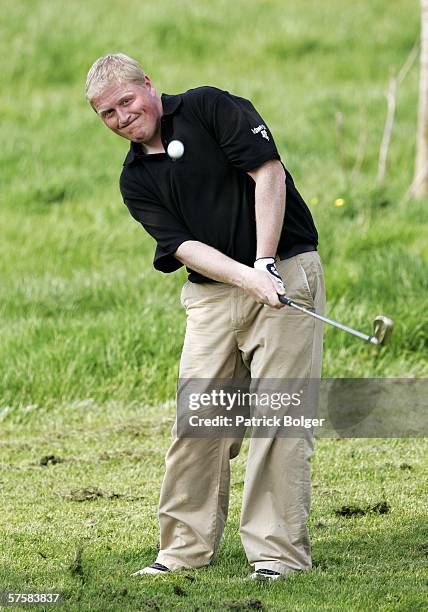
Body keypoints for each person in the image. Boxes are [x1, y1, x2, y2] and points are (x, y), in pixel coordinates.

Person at [85, 53, 325, 581]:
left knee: (278, 422)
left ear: (148, 85)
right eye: (108, 114)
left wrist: (264, 263)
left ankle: (276, 558)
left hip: (285, 270)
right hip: (213, 296)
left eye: (126, 101)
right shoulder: (134, 180)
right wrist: (246, 278)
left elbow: (268, 172)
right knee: (198, 424)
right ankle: (181, 553)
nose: (122, 117)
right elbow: (185, 247)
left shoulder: (209, 107)